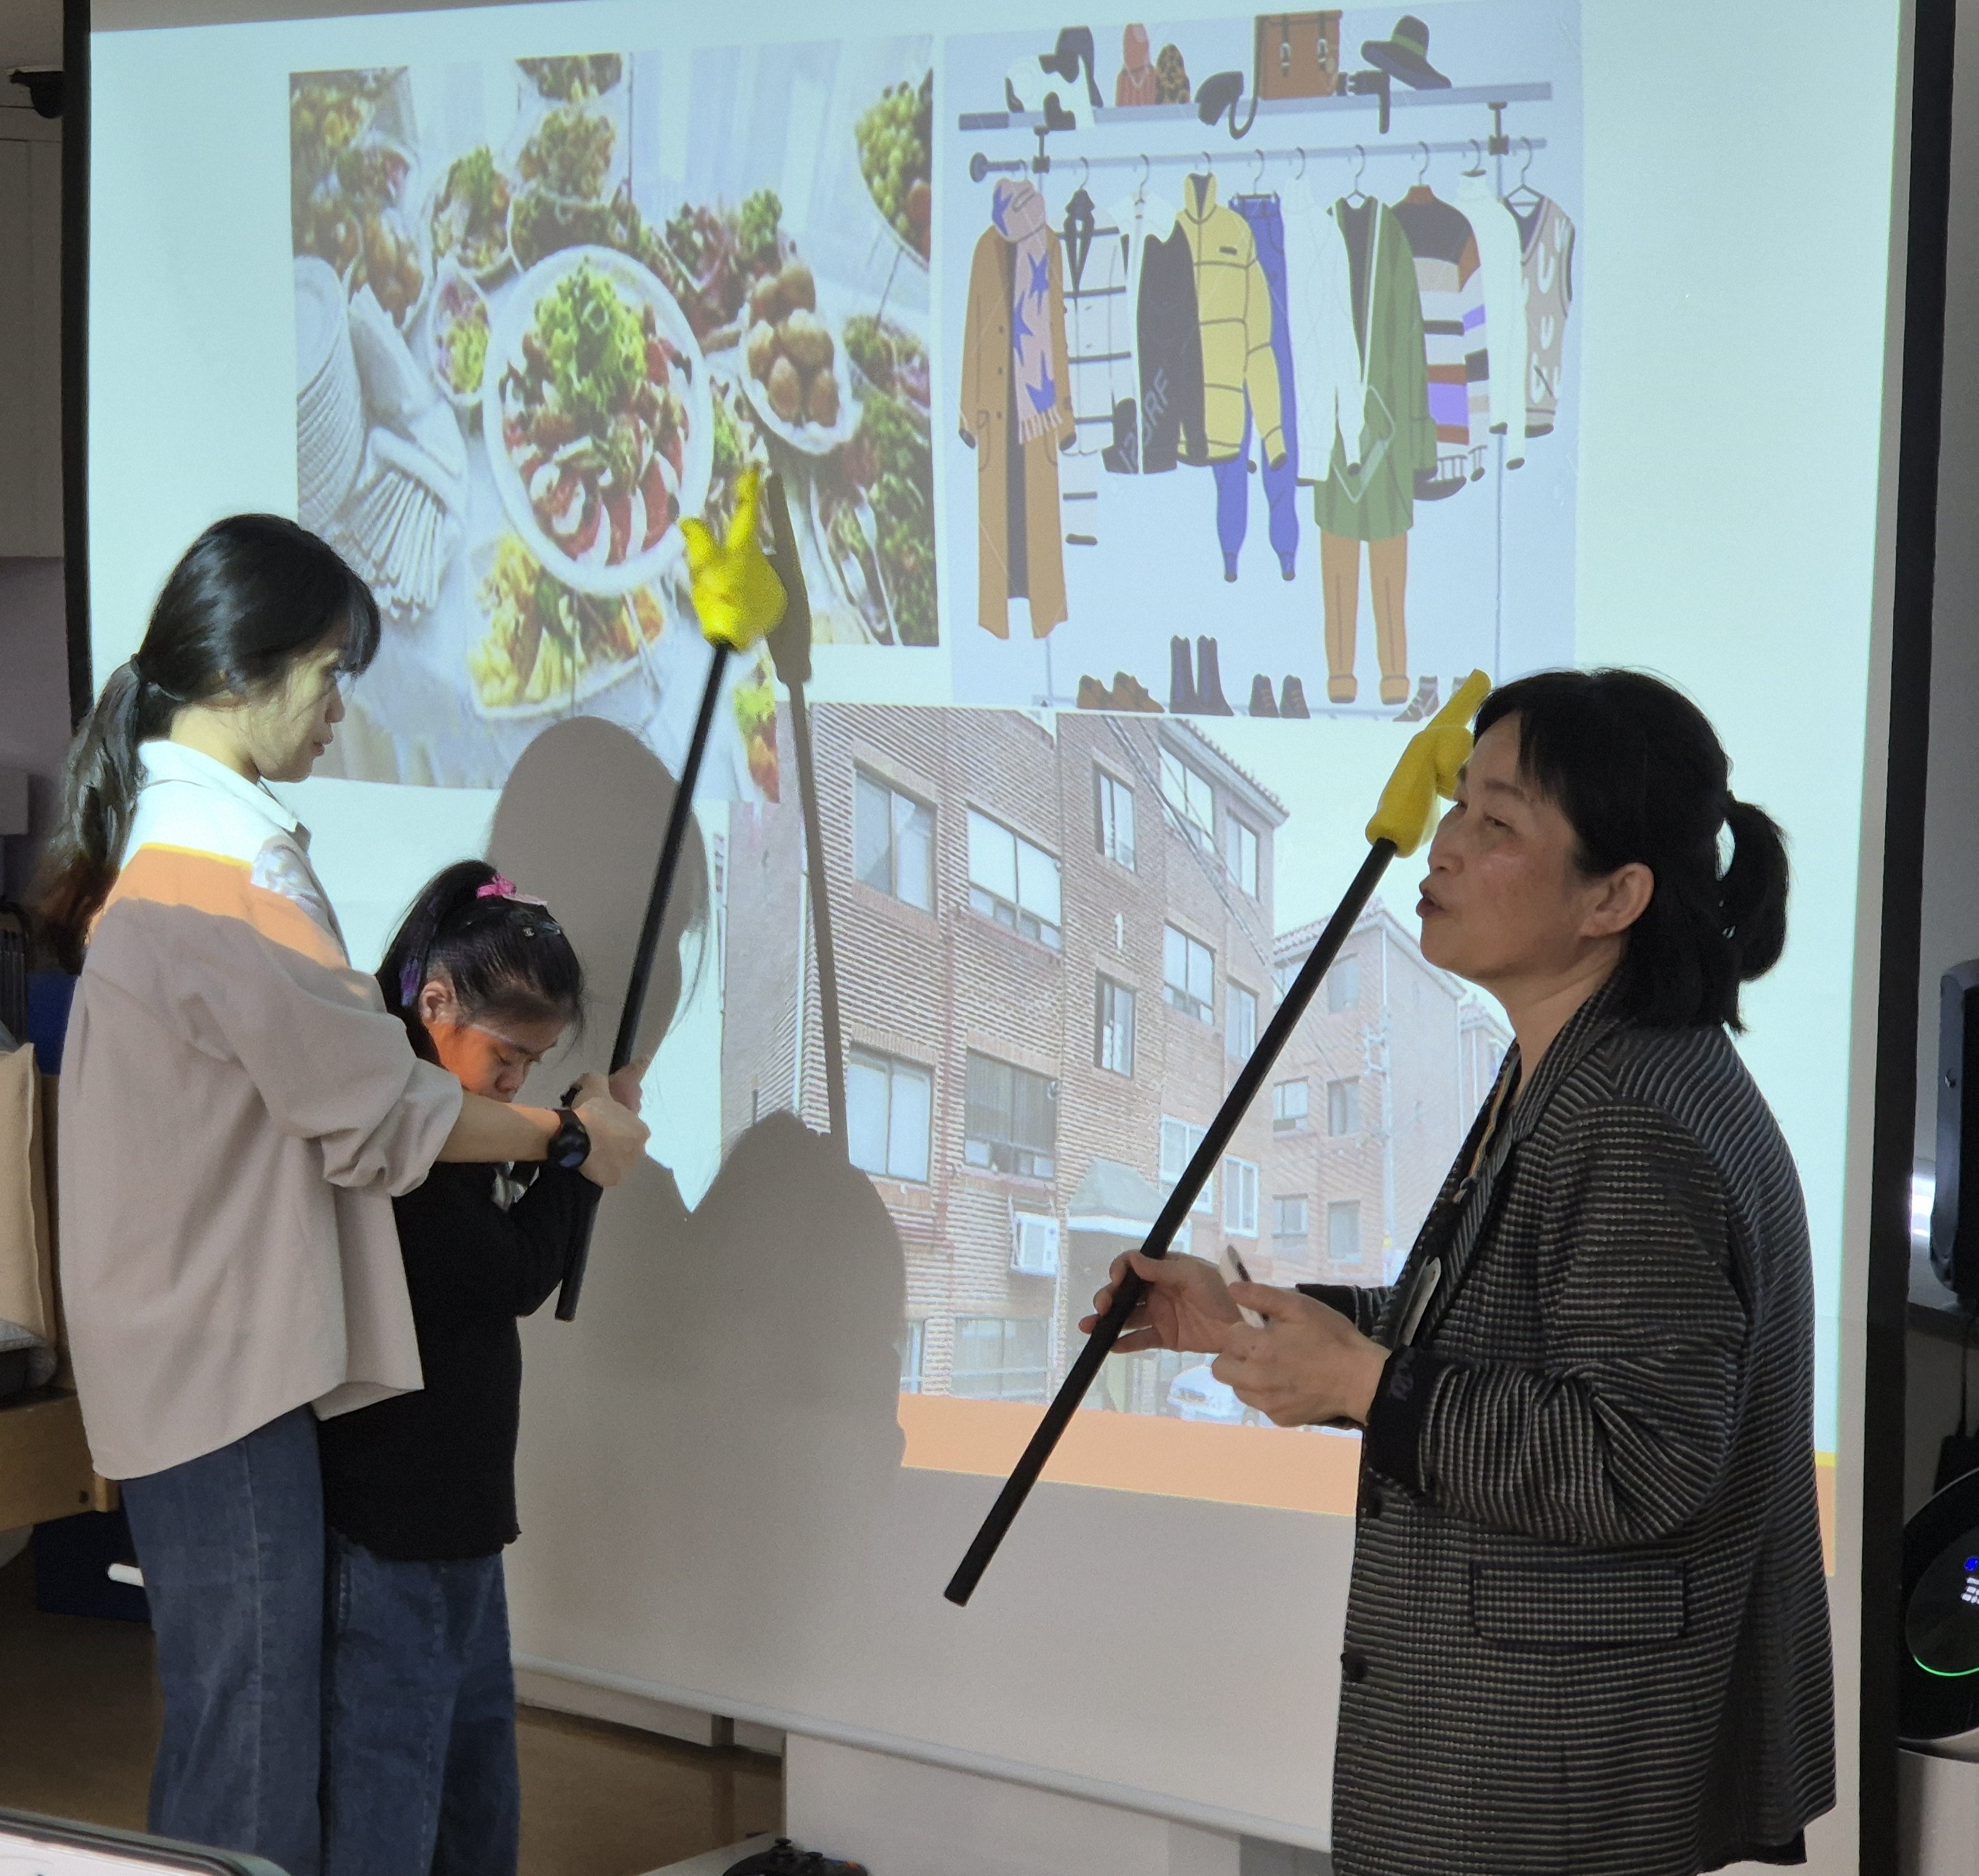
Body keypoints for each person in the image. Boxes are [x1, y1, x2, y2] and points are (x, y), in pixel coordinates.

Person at [1087, 670, 1835, 1876]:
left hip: (1548, 1777)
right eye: (1459, 805)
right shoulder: (1577, 1062)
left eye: (1499, 822)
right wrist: (1258, 1326)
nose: (1443, 844)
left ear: (1615, 897)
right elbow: (1501, 1322)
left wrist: (1365, 1385)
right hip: (1531, 1755)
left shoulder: (1632, 1116)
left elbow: (1639, 1456)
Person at [36, 515, 649, 1876]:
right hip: (223, 1368)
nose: (336, 711)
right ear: (242, 670)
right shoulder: (226, 871)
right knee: (253, 1750)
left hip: (206, 1358)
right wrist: (568, 1142)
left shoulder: (180, 850)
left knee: (247, 1729)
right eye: (328, 675)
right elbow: (383, 1112)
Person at [315, 860, 638, 1876]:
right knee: (394, 1788)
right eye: (506, 1057)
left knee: (473, 1783)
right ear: (437, 1003)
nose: (514, 1086)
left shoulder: (454, 1122)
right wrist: (580, 1157)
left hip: (454, 1522)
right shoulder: (402, 1124)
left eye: (532, 1065)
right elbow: (507, 1273)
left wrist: (577, 1143)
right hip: (393, 1522)